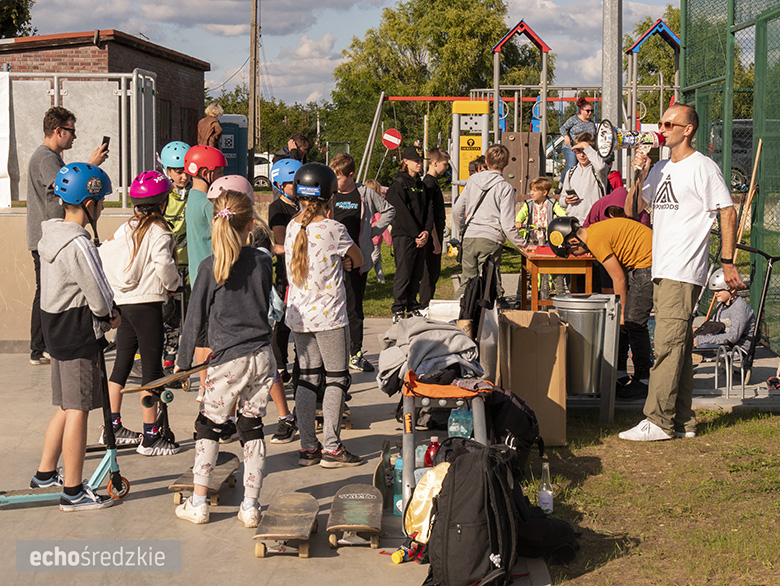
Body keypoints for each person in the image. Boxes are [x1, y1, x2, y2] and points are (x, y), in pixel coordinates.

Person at [620, 103, 745, 442]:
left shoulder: (702, 167)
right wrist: (640, 173)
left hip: (684, 269)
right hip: (662, 267)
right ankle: (682, 421)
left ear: (687, 129)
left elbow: (728, 211)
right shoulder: (660, 167)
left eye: (668, 124)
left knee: (666, 345)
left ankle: (658, 420)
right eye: (661, 123)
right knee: (679, 344)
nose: (661, 129)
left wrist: (728, 260)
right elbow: (633, 209)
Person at [174, 189, 275, 526]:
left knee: (209, 425)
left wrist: (182, 362)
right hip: (262, 356)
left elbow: (195, 319)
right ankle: (250, 506)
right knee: (251, 426)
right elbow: (264, 304)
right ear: (251, 223)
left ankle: (199, 502)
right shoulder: (263, 261)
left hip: (229, 360)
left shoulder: (210, 266)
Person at [31, 162, 120, 511]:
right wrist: (110, 315)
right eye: (102, 202)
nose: (103, 208)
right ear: (89, 203)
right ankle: (73, 491)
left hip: (55, 328)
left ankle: (45, 473)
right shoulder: (78, 243)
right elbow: (97, 290)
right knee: (80, 409)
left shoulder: (51, 235)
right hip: (77, 331)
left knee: (67, 405)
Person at [285, 163, 364, 468]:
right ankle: (332, 447)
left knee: (307, 378)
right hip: (329, 317)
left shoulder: (292, 227)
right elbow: (357, 258)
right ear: (330, 196)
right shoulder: (334, 229)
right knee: (336, 378)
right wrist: (344, 262)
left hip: (299, 317)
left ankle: (308, 446)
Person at [99, 171, 182, 455]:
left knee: (121, 364)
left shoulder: (126, 227)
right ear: (163, 203)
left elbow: (105, 252)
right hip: (147, 304)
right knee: (152, 369)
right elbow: (164, 265)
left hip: (123, 303)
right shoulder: (160, 231)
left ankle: (112, 426)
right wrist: (174, 284)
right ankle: (150, 436)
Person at [26, 106, 109, 366]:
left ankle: (42, 346)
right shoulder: (46, 159)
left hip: (51, 237)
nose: (75, 136)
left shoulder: (49, 157)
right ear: (58, 130)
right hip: (53, 238)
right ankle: (40, 347)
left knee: (47, 290)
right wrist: (91, 167)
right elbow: (69, 187)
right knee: (47, 292)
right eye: (71, 131)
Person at [548, 216, 654, 400]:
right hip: (643, 262)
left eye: (571, 252)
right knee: (622, 322)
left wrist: (621, 312)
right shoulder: (595, 232)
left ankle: (643, 381)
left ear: (573, 241)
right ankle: (620, 374)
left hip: (648, 264)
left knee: (633, 322)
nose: (576, 255)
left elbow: (619, 278)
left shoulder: (595, 240)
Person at [330, 153, 395, 372]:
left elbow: (389, 210)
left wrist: (373, 232)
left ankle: (355, 354)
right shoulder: (330, 193)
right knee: (332, 307)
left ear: (351, 175)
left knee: (354, 307)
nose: (336, 181)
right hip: (333, 260)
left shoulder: (364, 194)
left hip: (357, 258)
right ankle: (334, 352)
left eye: (339, 177)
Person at [452, 144, 534, 298]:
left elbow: (457, 210)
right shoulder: (505, 188)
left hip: (470, 236)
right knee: (488, 284)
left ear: (486, 162)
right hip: (491, 238)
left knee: (466, 283)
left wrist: (463, 229)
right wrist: (524, 245)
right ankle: (488, 312)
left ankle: (459, 310)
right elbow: (507, 225)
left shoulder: (473, 180)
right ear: (507, 163)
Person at [183, 145, 226, 404]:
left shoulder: (192, 197)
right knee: (212, 337)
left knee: (201, 336)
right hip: (214, 277)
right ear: (206, 173)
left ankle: (202, 386)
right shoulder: (208, 205)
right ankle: (211, 386)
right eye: (218, 172)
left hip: (197, 277)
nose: (221, 177)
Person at [251, 221, 298, 444]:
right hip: (236, 323)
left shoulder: (259, 254)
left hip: (256, 320)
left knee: (268, 368)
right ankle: (230, 420)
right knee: (236, 372)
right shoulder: (225, 253)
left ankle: (285, 417)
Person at [385, 146, 433, 323]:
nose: (420, 164)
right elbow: (400, 213)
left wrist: (426, 231)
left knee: (417, 274)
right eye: (416, 161)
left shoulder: (421, 185)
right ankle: (398, 308)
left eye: (421, 161)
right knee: (404, 274)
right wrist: (415, 234)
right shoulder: (398, 184)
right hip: (404, 236)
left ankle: (412, 306)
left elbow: (428, 210)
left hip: (421, 236)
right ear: (405, 161)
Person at [268, 158, 303, 385]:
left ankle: (302, 364)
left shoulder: (303, 205)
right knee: (283, 321)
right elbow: (281, 240)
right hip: (286, 272)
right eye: (293, 183)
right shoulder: (277, 208)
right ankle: (280, 365)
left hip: (304, 270)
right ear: (280, 185)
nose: (298, 187)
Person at [159, 140, 192, 374]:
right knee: (167, 313)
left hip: (189, 263)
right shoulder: (163, 197)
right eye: (178, 172)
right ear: (167, 171)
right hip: (167, 263)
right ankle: (162, 356)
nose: (184, 176)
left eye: (186, 171)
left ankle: (176, 359)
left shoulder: (194, 194)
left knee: (185, 315)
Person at [515, 176, 567, 298]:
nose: (531, 193)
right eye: (531, 190)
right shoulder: (528, 204)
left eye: (535, 190)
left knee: (554, 269)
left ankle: (561, 295)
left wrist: (563, 222)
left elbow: (562, 215)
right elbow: (521, 214)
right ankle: (520, 297)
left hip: (548, 241)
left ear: (544, 192)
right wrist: (518, 222)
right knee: (527, 270)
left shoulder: (552, 203)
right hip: (532, 240)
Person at [694, 269, 755, 355]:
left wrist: (701, 340)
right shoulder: (721, 305)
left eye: (719, 290)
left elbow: (733, 337)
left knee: (701, 347)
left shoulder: (739, 309)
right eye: (714, 291)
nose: (716, 294)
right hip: (723, 344)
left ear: (732, 290)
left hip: (737, 349)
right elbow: (715, 329)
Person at [420, 148, 449, 310]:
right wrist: (435, 239)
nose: (446, 168)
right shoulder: (429, 183)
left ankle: (426, 303)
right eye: (444, 164)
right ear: (435, 163)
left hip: (435, 231)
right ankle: (424, 305)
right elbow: (429, 214)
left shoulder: (432, 182)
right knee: (429, 273)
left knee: (433, 272)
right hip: (432, 234)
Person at [559, 132, 607, 224]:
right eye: (578, 151)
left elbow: (601, 166)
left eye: (584, 151)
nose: (582, 155)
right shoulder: (570, 172)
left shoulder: (597, 170)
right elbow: (562, 200)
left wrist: (586, 146)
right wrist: (566, 200)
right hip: (573, 221)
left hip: (593, 221)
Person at [559, 97, 597, 182]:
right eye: (588, 111)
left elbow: (594, 136)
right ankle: (562, 183)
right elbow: (563, 128)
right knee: (572, 165)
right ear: (581, 110)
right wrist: (566, 136)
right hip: (571, 147)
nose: (590, 113)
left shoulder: (591, 124)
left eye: (591, 111)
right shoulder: (574, 119)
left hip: (584, 149)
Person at [364, 179, 391, 284]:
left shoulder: (366, 205)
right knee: (374, 257)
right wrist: (389, 241)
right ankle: (363, 274)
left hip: (367, 235)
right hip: (376, 237)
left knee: (377, 258)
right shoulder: (378, 207)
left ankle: (381, 278)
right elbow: (382, 226)